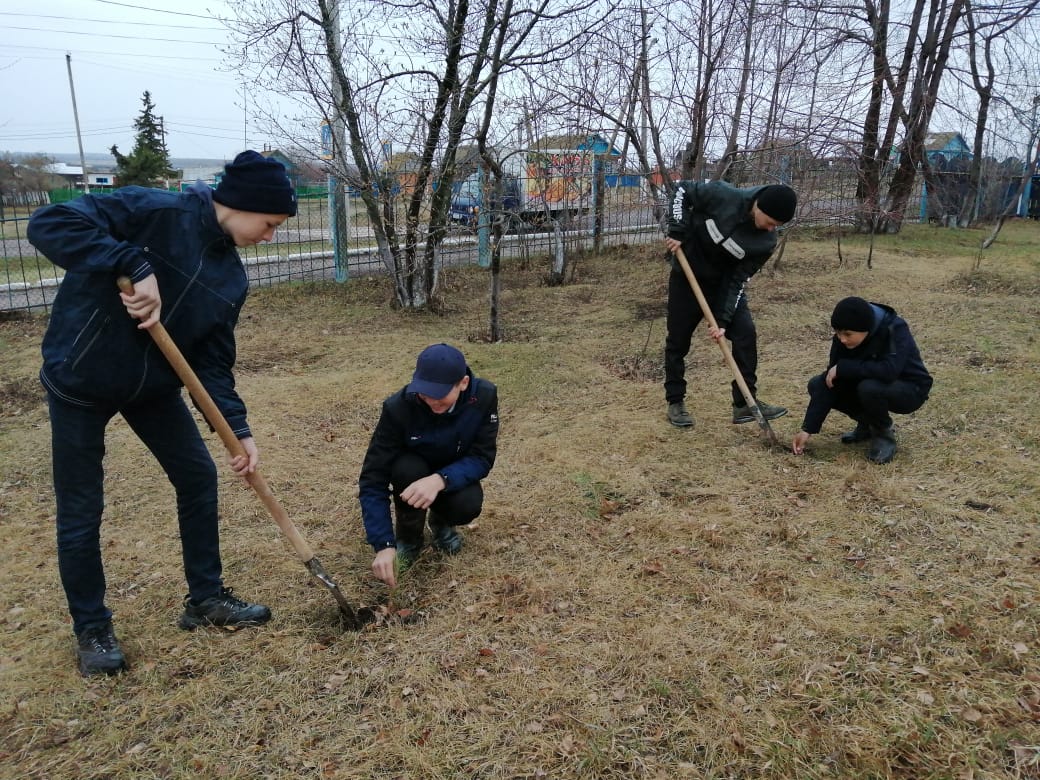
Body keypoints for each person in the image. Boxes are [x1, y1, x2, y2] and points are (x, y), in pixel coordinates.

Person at [27, 150, 298, 676]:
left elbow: (211, 363)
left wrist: (238, 430)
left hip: (152, 388)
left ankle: (206, 598)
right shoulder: (153, 211)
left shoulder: (230, 278)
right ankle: (92, 627)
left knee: (198, 477)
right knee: (82, 508)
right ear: (240, 204)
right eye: (269, 224)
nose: (269, 237)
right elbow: (49, 223)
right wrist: (132, 263)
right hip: (81, 379)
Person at [359, 343, 499, 589]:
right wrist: (383, 544)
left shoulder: (484, 396)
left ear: (463, 383)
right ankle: (408, 536)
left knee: (467, 504)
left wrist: (440, 479)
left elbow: (481, 457)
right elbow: (373, 478)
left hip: (452, 470)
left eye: (440, 394)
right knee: (406, 469)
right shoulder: (398, 407)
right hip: (411, 469)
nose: (432, 401)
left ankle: (441, 523)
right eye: (425, 393)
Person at [662, 181, 797, 429]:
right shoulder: (722, 196)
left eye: (777, 226)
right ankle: (675, 401)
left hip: (723, 286)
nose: (771, 229)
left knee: (745, 333)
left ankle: (744, 403)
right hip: (687, 276)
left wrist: (722, 321)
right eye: (770, 222)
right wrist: (677, 230)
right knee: (678, 341)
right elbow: (682, 190)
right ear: (759, 206)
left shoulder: (765, 243)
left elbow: (737, 280)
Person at [791, 296, 932, 464]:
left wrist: (844, 367)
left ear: (867, 329)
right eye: (838, 333)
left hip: (911, 389)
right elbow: (830, 381)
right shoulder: (843, 338)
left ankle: (883, 434)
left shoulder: (894, 328)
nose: (842, 339)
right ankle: (867, 425)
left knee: (869, 387)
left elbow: (890, 370)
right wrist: (807, 429)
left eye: (847, 334)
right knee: (817, 384)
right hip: (871, 385)